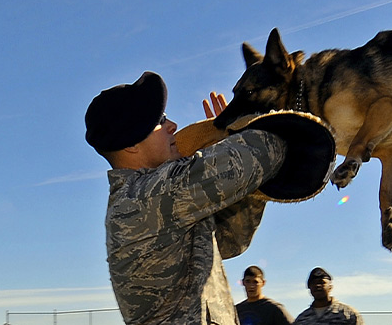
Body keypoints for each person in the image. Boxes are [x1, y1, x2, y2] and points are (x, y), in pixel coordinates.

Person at [86, 72, 333, 325]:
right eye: (160, 120)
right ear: (132, 144)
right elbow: (264, 151)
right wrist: (241, 126)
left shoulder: (156, 198)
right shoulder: (147, 196)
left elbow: (230, 241)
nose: (173, 126)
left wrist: (229, 145)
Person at [293, 267, 364, 325]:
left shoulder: (348, 314)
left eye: (322, 282)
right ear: (309, 288)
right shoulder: (302, 319)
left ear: (330, 287)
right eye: (313, 283)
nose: (318, 286)